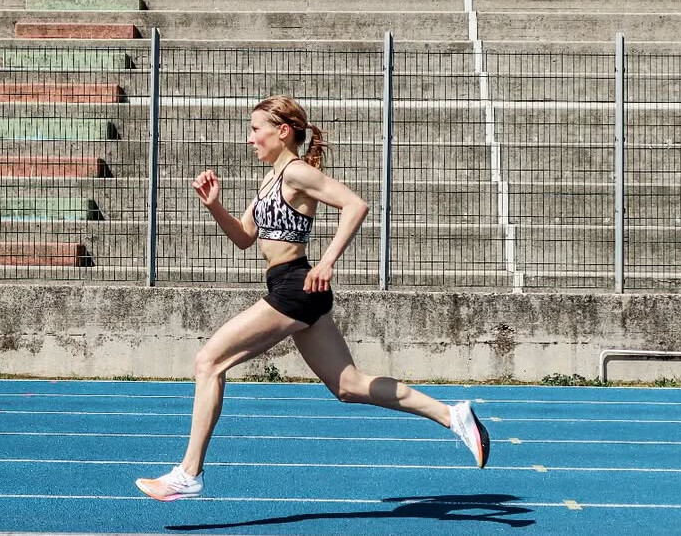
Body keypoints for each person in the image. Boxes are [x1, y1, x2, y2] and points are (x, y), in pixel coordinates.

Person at [135, 95, 490, 502]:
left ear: (282, 131)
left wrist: (327, 261)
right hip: (291, 287)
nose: (249, 138)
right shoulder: (271, 178)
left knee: (209, 361)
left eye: (255, 129)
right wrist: (215, 207)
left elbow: (355, 205)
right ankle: (451, 415)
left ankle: (189, 473)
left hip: (296, 286)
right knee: (349, 386)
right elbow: (245, 238)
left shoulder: (297, 172)